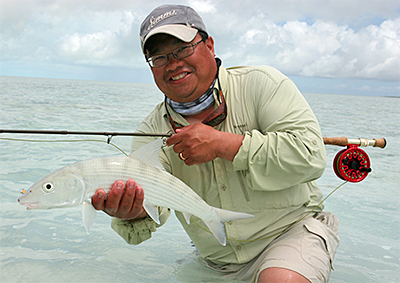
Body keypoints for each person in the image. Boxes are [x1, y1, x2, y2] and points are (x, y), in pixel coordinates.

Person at [92, 4, 339, 283]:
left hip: (290, 234)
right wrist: (132, 212)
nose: (173, 63)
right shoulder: (150, 131)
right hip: (215, 260)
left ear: (209, 45)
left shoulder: (262, 85)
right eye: (159, 57)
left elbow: (310, 155)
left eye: (183, 49)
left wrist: (226, 144)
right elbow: (148, 216)